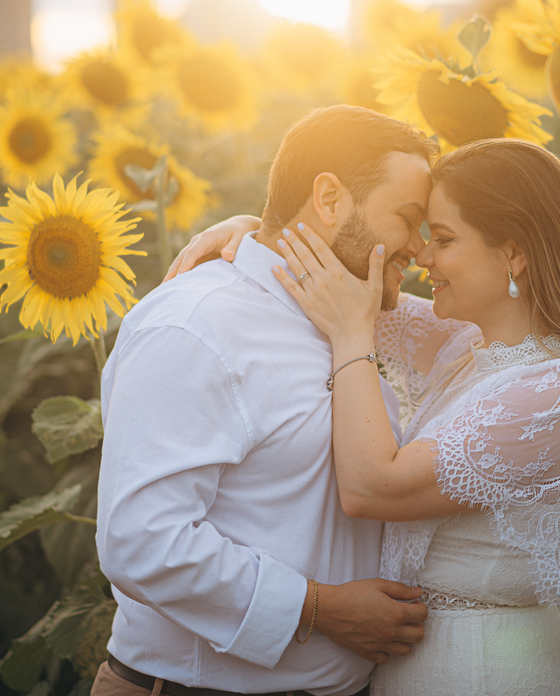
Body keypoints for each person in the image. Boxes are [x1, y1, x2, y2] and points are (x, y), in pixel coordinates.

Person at [172, 138, 560, 695]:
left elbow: (374, 488)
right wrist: (262, 230)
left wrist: (350, 334)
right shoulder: (468, 346)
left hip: (487, 671)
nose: (422, 256)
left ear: (514, 254)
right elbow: (335, 283)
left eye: (444, 239)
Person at [94, 105, 440, 696]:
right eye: (408, 220)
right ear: (329, 200)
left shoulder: (350, 315)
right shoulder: (196, 325)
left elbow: (506, 325)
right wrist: (320, 609)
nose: (420, 248)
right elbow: (142, 539)